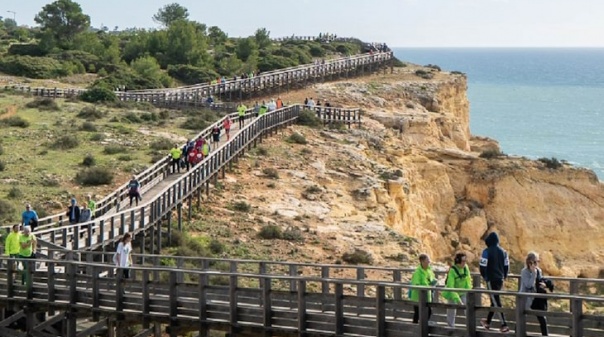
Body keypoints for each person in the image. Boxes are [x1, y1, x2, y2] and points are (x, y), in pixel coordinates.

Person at [480, 232, 510, 333]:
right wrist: (504, 276)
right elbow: (507, 266)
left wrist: (485, 277)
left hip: (491, 279)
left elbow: (482, 266)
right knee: (494, 300)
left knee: (496, 301)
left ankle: (504, 324)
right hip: (500, 279)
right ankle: (487, 321)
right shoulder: (504, 252)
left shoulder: (486, 251)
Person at [520, 252, 553, 336]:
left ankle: (545, 335)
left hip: (536, 298)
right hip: (526, 298)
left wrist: (545, 284)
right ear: (529, 262)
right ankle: (518, 333)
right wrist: (533, 273)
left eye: (537, 261)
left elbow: (539, 281)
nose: (536, 264)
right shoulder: (524, 272)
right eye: (534, 262)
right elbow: (528, 285)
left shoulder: (539, 270)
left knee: (542, 317)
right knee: (521, 317)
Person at [443, 252, 473, 328]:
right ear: (458, 261)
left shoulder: (466, 268)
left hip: (463, 292)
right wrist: (457, 299)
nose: (464, 263)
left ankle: (470, 326)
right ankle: (451, 327)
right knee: (451, 310)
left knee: (468, 308)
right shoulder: (452, 270)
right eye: (463, 261)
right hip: (453, 293)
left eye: (465, 261)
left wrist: (468, 292)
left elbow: (468, 281)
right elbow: (450, 286)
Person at [410, 254, 437, 324]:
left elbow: (431, 279)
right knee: (417, 314)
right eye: (427, 261)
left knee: (428, 312)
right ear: (422, 261)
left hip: (427, 296)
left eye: (429, 261)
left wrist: (433, 283)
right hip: (418, 297)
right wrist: (426, 286)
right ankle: (415, 328)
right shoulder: (417, 272)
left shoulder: (429, 270)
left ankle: (422, 327)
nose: (429, 262)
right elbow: (416, 284)